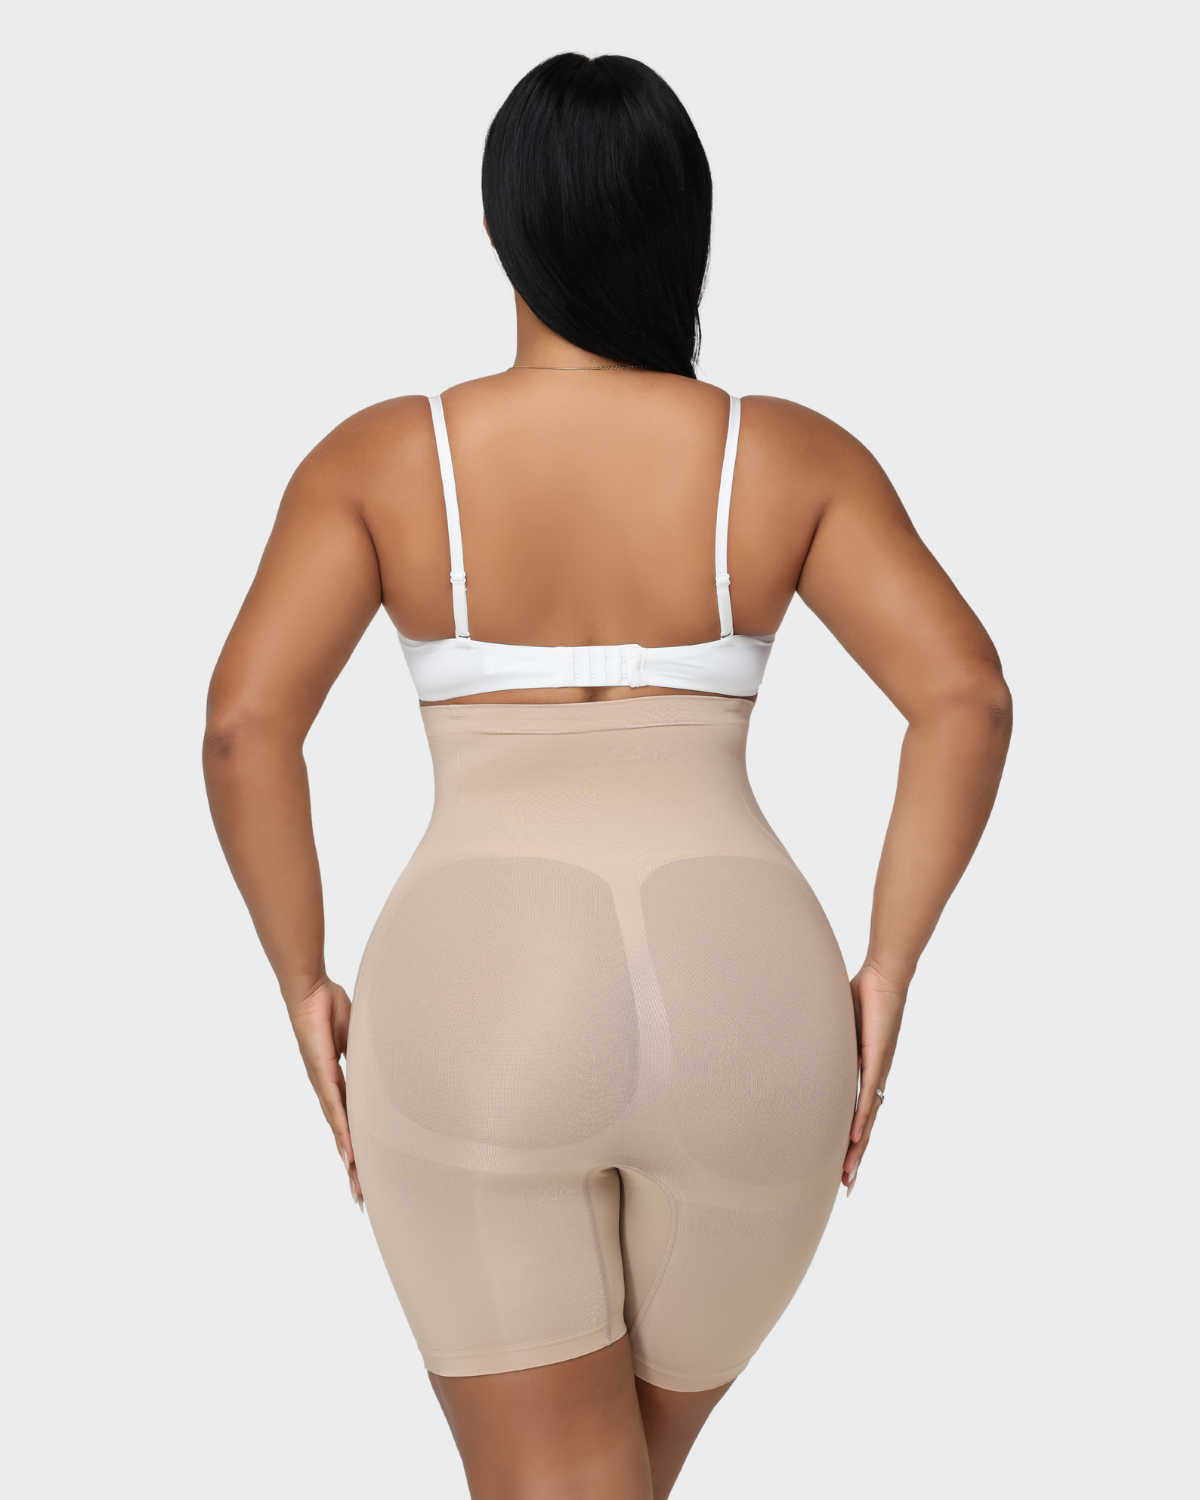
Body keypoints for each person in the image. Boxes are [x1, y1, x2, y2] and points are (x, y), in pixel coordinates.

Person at [204, 51, 1011, 1500]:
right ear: (683, 224)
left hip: (480, 996)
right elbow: (965, 696)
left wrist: (301, 980)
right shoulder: (786, 455)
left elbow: (244, 727)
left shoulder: (387, 458)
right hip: (751, 1008)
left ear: (501, 226)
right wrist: (888, 970)